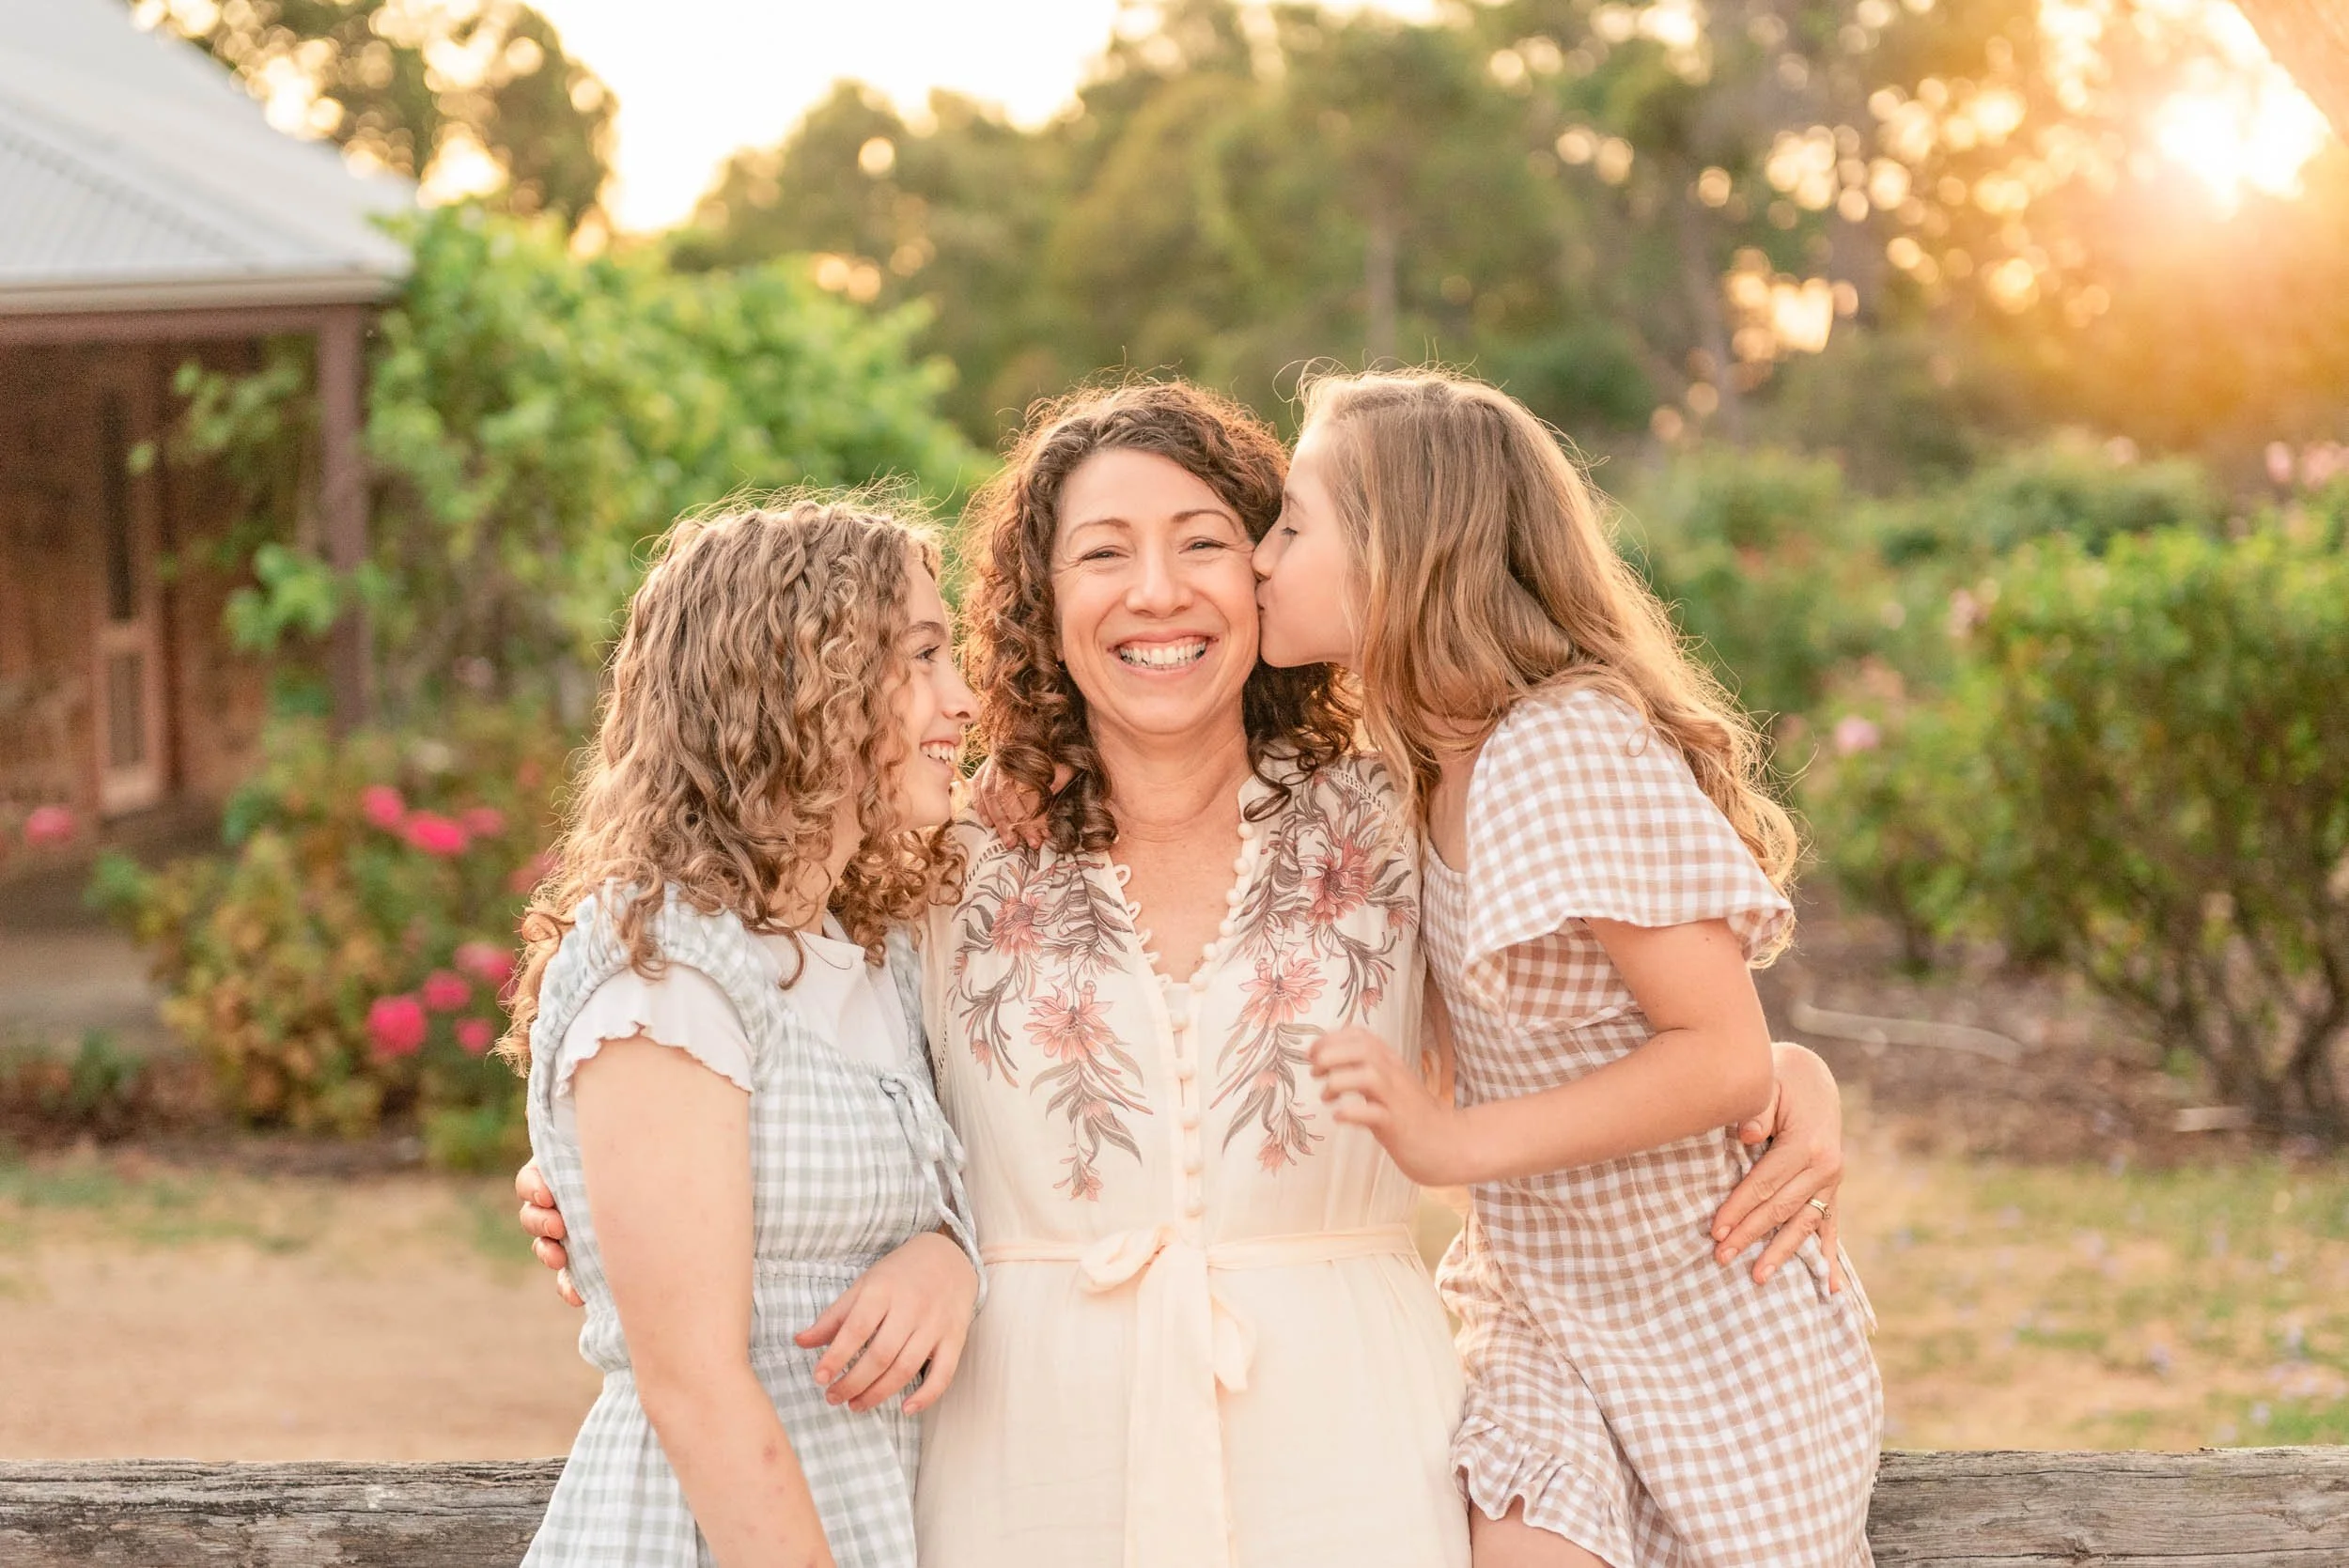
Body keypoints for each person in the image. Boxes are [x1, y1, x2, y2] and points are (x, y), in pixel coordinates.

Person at [517, 382, 1859, 1568]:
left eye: (1206, 543)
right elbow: (783, 1074)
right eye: (1104, 554)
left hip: (1352, 1453)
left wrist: (1785, 1077)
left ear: (1269, 575)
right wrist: (586, 1171)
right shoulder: (934, 861)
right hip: (1025, 1463)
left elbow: (1573, 1014)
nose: (1156, 592)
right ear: (1042, 603)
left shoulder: (1392, 816)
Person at [1258, 368, 1882, 1567]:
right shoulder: (1417, 767)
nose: (1259, 558)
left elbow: (1721, 1051)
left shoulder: (1557, 746)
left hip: (1712, 1319)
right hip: (1543, 1310)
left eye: (1293, 523)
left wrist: (1454, 1145)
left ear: (1403, 549)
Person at [503, 498, 986, 1568]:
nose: (965, 699)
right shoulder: (669, 970)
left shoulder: (869, 950)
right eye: (923, 656)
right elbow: (696, 1388)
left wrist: (946, 1258)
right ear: (802, 686)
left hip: (864, 1509)